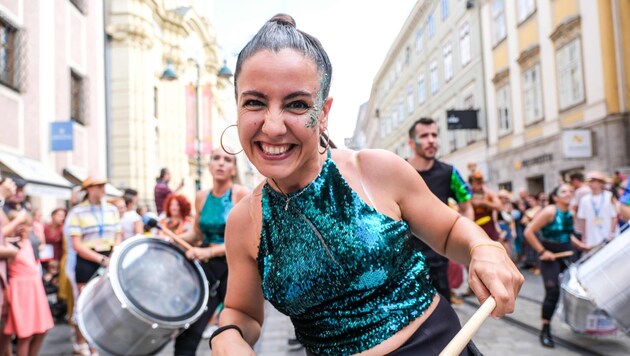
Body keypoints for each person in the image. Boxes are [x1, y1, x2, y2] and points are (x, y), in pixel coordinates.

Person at [209, 14, 523, 356]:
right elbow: (243, 313)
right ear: (237, 106)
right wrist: (227, 333)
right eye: (254, 102)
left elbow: (449, 232)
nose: (272, 127)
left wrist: (484, 249)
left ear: (324, 112)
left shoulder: (375, 170)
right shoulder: (243, 222)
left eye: (296, 104)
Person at [174, 148, 250, 355]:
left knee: (235, 333)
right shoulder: (201, 196)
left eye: (227, 160)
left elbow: (248, 239)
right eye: (216, 159)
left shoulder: (240, 194)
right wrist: (170, 239)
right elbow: (196, 234)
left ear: (234, 169)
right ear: (209, 166)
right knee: (189, 333)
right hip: (207, 270)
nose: (221, 163)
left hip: (235, 270)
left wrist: (210, 252)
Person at [406, 117, 474, 303]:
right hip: (405, 261)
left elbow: (467, 208)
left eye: (434, 135)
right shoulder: (400, 170)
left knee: (443, 312)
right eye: (425, 135)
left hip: (439, 258)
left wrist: (465, 241)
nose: (431, 140)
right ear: (412, 142)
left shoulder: (449, 173)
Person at [523, 184, 587, 348]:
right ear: (556, 197)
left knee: (576, 289)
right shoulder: (550, 211)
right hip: (549, 256)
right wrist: (543, 251)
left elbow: (567, 233)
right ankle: (545, 330)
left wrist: (580, 244)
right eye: (564, 191)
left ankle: (577, 323)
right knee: (552, 291)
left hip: (567, 254)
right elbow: (528, 232)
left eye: (571, 191)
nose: (568, 193)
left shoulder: (570, 213)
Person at [67, 174, 122, 355]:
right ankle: (82, 342)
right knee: (84, 305)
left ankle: (96, 344)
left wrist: (113, 254)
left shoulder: (112, 210)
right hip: (88, 260)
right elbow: (77, 244)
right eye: (98, 186)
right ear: (89, 189)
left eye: (103, 185)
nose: (102, 189)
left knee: (105, 303)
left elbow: (117, 235)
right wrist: (99, 259)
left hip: (108, 256)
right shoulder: (77, 212)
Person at [1, 210, 54, 356]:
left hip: (35, 288)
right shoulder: (8, 245)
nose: (24, 228)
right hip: (20, 290)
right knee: (24, 334)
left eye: (27, 225)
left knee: (42, 329)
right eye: (20, 225)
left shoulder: (28, 242)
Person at [577, 171, 617, 248]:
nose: (591, 184)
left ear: (601, 183)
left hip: (609, 235)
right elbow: (582, 219)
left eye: (594, 181)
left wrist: (612, 233)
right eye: (590, 181)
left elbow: (614, 216)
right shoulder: (584, 199)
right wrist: (584, 237)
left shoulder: (609, 196)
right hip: (593, 237)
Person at [469, 172, 503, 242]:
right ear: (472, 184)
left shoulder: (488, 193)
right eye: (477, 183)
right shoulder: (467, 194)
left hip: (490, 231)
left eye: (481, 182)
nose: (480, 185)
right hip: (476, 231)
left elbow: (500, 206)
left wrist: (483, 202)